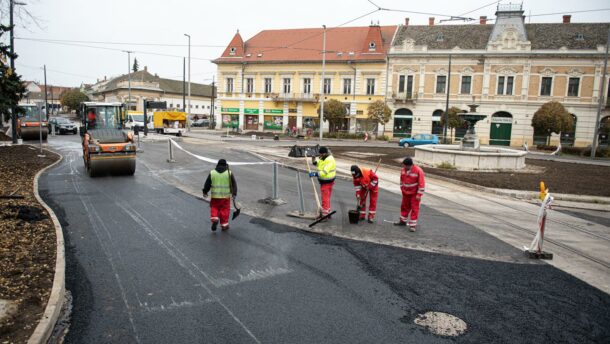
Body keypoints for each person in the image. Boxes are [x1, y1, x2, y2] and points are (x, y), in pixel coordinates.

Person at [202, 159, 237, 231]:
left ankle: (214, 218)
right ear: (226, 165)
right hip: (225, 197)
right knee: (225, 210)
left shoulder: (212, 172)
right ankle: (224, 225)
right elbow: (234, 184)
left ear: (217, 165)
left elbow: (207, 184)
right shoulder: (229, 173)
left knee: (214, 207)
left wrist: (205, 192)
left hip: (215, 196)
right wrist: (234, 194)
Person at [395, 157, 425, 231]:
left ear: (409, 165)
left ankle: (412, 226)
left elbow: (421, 184)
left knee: (414, 209)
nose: (403, 167)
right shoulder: (403, 170)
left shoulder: (418, 171)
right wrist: (402, 189)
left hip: (414, 194)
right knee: (404, 207)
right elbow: (401, 181)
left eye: (404, 165)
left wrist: (419, 195)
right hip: (405, 193)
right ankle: (402, 221)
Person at [309, 146, 336, 219]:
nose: (319, 155)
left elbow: (324, 172)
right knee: (327, 197)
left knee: (325, 198)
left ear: (324, 153)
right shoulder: (323, 158)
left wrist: (315, 174)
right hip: (326, 181)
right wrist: (313, 160)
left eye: (320, 154)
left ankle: (325, 214)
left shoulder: (330, 160)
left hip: (327, 181)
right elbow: (319, 164)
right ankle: (328, 211)